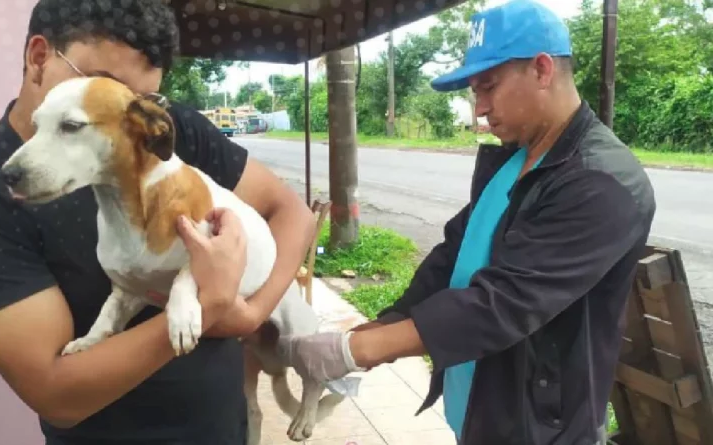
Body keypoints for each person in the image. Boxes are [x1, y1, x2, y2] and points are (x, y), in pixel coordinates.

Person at [0, 1, 315, 444]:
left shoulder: (157, 127)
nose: (127, 117)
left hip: (225, 429)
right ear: (39, 58)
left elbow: (291, 213)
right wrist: (209, 306)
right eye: (105, 87)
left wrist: (249, 314)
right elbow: (58, 395)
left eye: (143, 99)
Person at [278, 1, 656, 444]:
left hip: (539, 431)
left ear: (541, 69)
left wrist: (355, 351)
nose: (479, 109)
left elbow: (503, 304)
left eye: (489, 87)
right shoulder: (518, 159)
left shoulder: (601, 182)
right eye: (475, 92)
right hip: (484, 413)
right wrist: (385, 323)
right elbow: (455, 253)